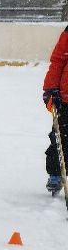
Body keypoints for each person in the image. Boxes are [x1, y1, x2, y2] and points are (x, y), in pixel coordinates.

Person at [45, 23, 67, 196]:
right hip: (65, 97)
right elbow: (58, 59)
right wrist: (51, 88)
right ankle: (55, 173)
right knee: (59, 137)